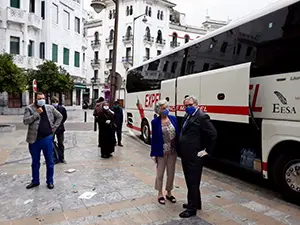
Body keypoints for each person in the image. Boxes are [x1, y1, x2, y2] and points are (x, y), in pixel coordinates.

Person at [178, 96, 217, 218]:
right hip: (186, 154)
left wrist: (207, 151)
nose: (187, 107)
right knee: (190, 181)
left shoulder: (201, 116)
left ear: (196, 104)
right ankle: (196, 203)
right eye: (185, 105)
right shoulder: (187, 116)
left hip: (195, 156)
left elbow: (213, 134)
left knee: (193, 182)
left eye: (190, 105)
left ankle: (191, 209)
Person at [23, 92, 63, 190]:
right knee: (35, 162)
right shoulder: (29, 108)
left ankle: (50, 181)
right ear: (35, 99)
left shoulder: (49, 108)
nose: (42, 100)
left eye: (43, 98)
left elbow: (60, 116)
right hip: (34, 140)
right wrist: (37, 113)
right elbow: (25, 121)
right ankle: (35, 181)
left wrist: (54, 127)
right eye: (39, 98)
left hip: (47, 138)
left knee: (49, 161)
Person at [151, 100, 180, 205]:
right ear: (159, 110)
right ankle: (159, 193)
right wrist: (153, 154)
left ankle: (169, 192)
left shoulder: (173, 119)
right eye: (164, 108)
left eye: (167, 107)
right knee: (160, 173)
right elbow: (154, 139)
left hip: (172, 151)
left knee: (171, 173)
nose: (167, 109)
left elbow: (178, 134)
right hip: (161, 152)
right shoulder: (155, 122)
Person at [51, 96, 68, 164]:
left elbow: (64, 117)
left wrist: (59, 123)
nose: (55, 103)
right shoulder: (50, 108)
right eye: (53, 102)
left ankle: (62, 158)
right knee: (51, 143)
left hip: (60, 128)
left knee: (61, 143)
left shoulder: (62, 109)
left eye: (56, 102)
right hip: (51, 129)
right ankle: (53, 157)